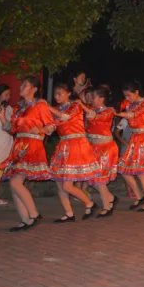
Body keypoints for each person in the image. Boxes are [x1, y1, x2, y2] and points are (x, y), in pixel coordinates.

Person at [0, 77, 60, 231]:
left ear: (34, 89)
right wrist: (2, 118)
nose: (21, 87)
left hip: (32, 145)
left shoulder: (40, 105)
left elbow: (51, 126)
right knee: (14, 184)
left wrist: (40, 130)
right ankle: (25, 219)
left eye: (25, 85)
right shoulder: (18, 107)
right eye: (21, 84)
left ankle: (34, 214)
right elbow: (12, 129)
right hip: (18, 146)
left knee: (15, 182)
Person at [48, 83, 100, 222]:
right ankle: (69, 213)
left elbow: (65, 117)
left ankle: (90, 203)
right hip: (63, 146)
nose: (57, 96)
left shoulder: (75, 106)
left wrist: (47, 107)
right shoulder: (57, 109)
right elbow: (53, 126)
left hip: (76, 145)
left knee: (67, 185)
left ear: (68, 93)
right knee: (59, 182)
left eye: (60, 93)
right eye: (55, 94)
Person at [116, 81, 144, 211]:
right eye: (125, 96)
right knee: (123, 169)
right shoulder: (130, 104)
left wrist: (116, 113)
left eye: (129, 95)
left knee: (141, 172)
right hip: (135, 138)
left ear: (136, 93)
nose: (127, 98)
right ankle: (140, 197)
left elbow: (132, 115)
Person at [84, 85, 119, 216]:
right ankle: (110, 198)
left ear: (101, 98)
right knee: (93, 179)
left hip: (105, 149)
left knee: (99, 179)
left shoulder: (109, 111)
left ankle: (107, 206)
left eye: (93, 97)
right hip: (93, 148)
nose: (91, 99)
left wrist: (81, 106)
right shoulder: (92, 110)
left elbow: (96, 118)